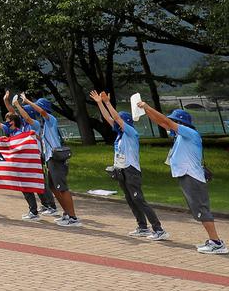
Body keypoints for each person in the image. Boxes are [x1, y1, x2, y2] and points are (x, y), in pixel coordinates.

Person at [138, 101, 224, 254]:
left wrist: (148, 107)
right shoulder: (180, 135)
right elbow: (162, 122)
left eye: (175, 121)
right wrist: (145, 111)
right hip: (187, 176)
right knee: (198, 209)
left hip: (192, 177)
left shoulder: (190, 133)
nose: (172, 124)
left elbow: (166, 121)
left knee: (201, 210)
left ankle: (216, 242)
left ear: (181, 123)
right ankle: (213, 241)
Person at [89, 92, 166, 240]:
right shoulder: (119, 134)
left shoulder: (131, 132)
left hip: (131, 171)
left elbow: (116, 118)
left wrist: (107, 102)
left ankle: (158, 229)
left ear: (126, 122)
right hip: (121, 170)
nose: (116, 123)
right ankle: (142, 226)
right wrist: (100, 103)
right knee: (130, 200)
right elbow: (108, 118)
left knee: (139, 200)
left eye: (120, 122)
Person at [19, 94, 80, 227]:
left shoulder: (50, 119)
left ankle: (73, 217)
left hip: (56, 159)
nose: (35, 109)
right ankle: (66, 213)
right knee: (53, 187)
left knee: (62, 188)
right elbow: (28, 119)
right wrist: (18, 106)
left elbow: (41, 111)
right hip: (49, 159)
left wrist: (28, 100)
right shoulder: (41, 124)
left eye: (38, 106)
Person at [10, 93, 59, 217]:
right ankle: (46, 205)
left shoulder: (38, 123)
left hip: (37, 157)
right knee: (38, 182)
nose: (21, 116)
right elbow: (15, 115)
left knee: (42, 183)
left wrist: (22, 102)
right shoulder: (30, 126)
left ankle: (51, 206)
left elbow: (28, 117)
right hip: (35, 157)